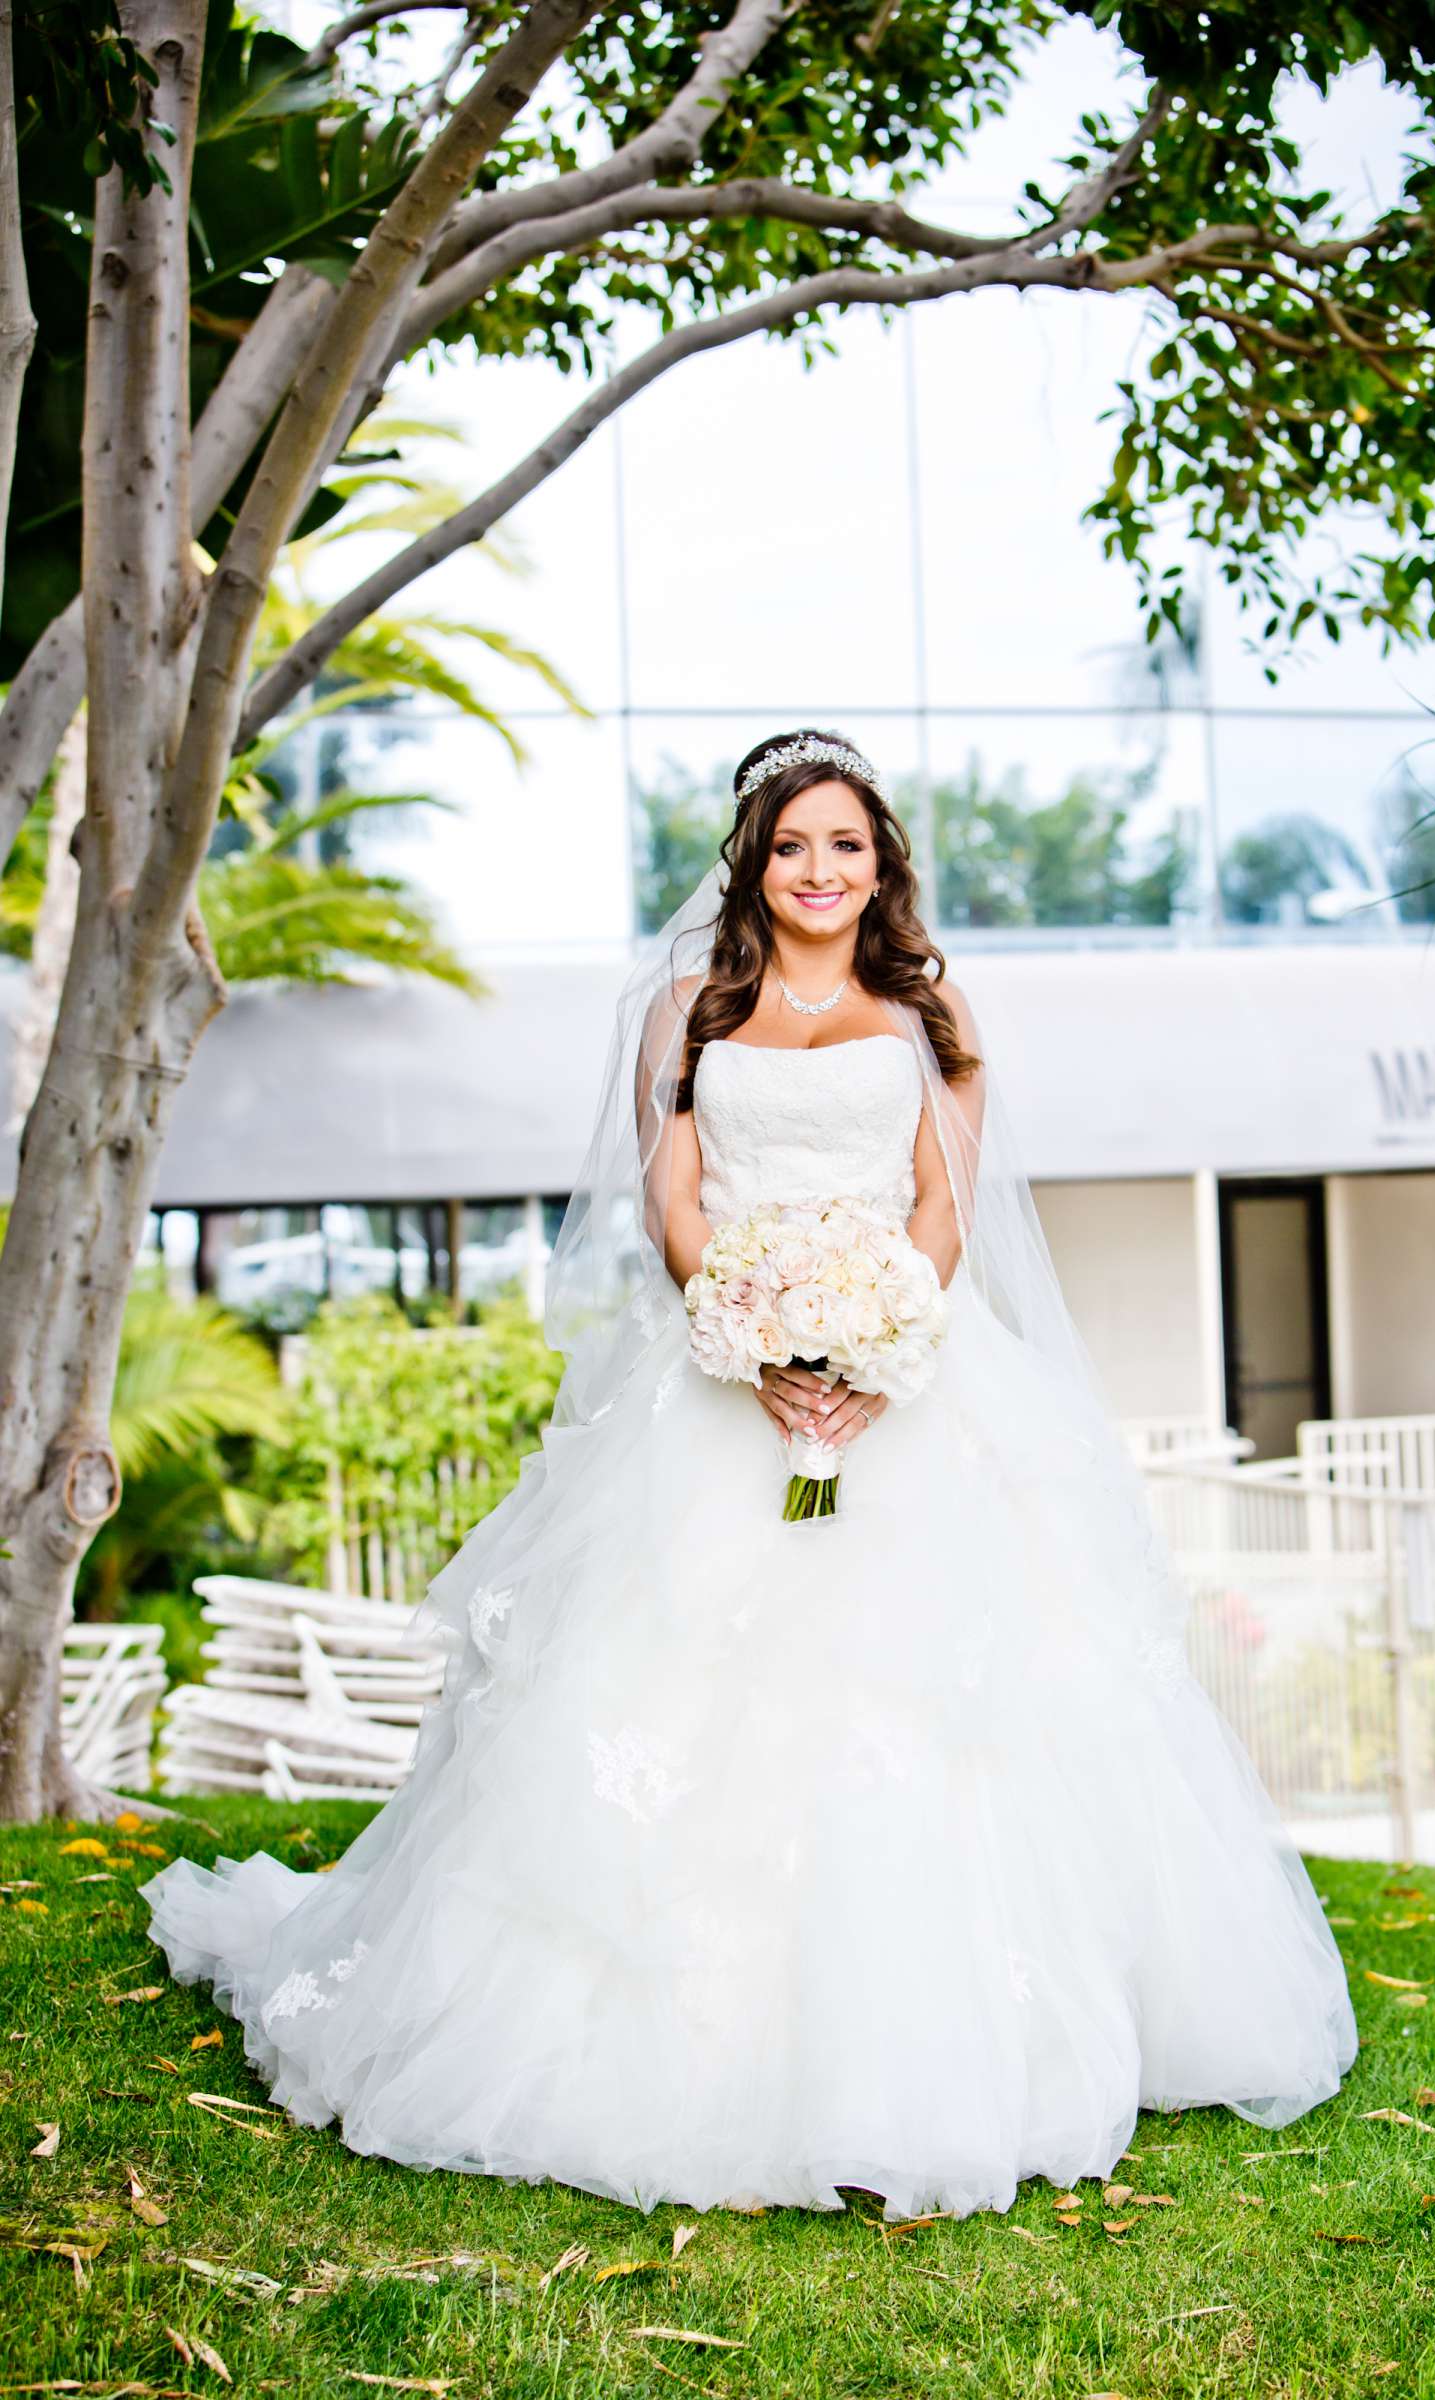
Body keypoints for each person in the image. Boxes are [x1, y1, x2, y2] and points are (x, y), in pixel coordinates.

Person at [140, 727, 1358, 2221]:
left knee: (939, 1696)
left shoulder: (930, 1008)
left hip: (916, 1386)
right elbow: (669, 1185)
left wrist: (879, 1342)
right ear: (755, 864)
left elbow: (943, 1193)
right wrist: (747, 1332)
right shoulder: (690, 1005)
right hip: (719, 1383)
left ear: (882, 862)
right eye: (793, 846)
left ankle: (942, 2051)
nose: (820, 871)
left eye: (846, 845)